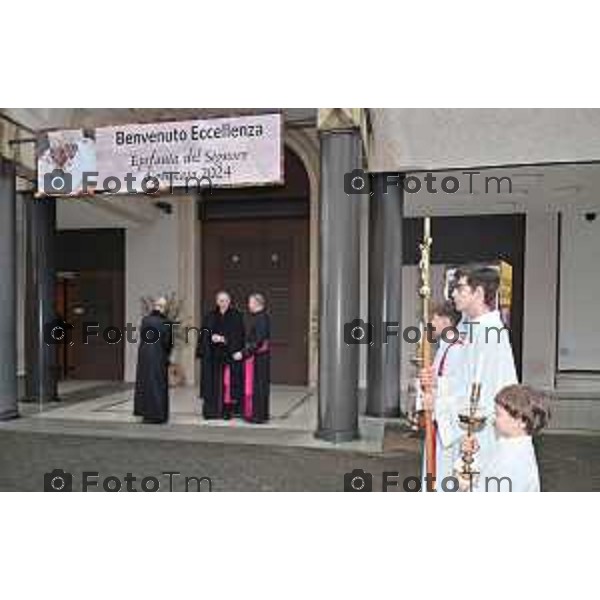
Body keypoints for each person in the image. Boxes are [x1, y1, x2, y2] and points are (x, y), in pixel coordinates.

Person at [420, 266, 518, 490]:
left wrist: (437, 401)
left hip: (477, 435)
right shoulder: (467, 326)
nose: (453, 293)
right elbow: (462, 380)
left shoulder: (491, 334)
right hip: (459, 428)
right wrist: (435, 382)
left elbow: (483, 398)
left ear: (479, 293)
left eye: (460, 288)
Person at [458, 384, 550, 492]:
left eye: (498, 414)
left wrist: (463, 483)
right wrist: (472, 456)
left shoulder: (513, 461)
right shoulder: (512, 446)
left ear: (522, 421)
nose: (493, 419)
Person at [416, 300, 464, 489]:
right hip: (439, 417)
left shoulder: (457, 349)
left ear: (446, 321)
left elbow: (458, 386)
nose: (430, 325)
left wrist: (434, 387)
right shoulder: (445, 346)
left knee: (443, 467)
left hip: (448, 421)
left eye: (433, 319)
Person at [197, 291, 245, 420]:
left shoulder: (236, 316)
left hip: (228, 356)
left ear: (230, 301)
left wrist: (225, 339)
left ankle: (226, 411)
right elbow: (203, 334)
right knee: (211, 384)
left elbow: (240, 336)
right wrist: (211, 337)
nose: (223, 303)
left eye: (226, 300)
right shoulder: (210, 316)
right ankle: (211, 412)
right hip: (212, 356)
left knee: (227, 384)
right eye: (221, 300)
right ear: (217, 302)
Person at [133, 297, 173, 424]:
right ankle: (158, 415)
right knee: (158, 384)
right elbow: (167, 343)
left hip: (144, 356)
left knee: (145, 383)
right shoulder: (166, 322)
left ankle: (146, 414)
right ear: (164, 307)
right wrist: (167, 355)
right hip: (158, 356)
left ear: (155, 306)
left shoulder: (145, 320)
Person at [233, 293, 271, 423]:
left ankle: (257, 416)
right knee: (257, 386)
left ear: (256, 303)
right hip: (258, 357)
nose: (248, 305)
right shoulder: (260, 317)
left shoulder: (261, 319)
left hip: (258, 358)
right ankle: (257, 414)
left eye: (250, 302)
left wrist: (243, 353)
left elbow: (258, 342)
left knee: (258, 387)